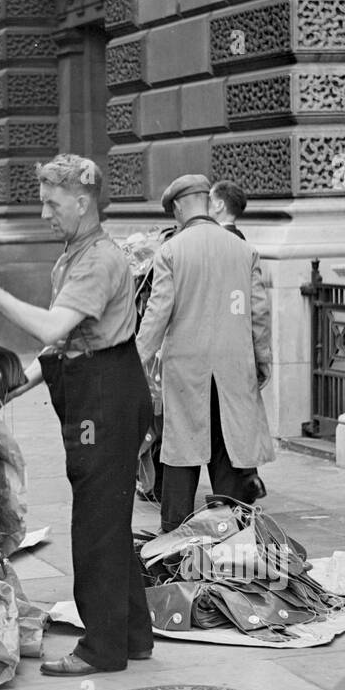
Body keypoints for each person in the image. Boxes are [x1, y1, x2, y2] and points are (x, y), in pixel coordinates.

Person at [0, 154, 154, 677]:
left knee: (96, 523)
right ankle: (133, 636)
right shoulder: (75, 256)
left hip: (107, 396)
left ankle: (101, 650)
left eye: (52, 204)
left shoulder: (97, 260)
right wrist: (13, 387)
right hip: (101, 391)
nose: (44, 215)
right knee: (110, 518)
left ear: (82, 202)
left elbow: (54, 329)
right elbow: (64, 347)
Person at [136, 174, 274, 532]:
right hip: (234, 368)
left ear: (180, 207)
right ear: (206, 202)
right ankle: (237, 539)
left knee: (181, 456)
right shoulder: (243, 250)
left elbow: (156, 314)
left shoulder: (171, 251)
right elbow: (259, 313)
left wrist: (135, 362)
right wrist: (262, 362)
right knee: (229, 454)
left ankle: (175, 542)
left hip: (186, 372)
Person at [209, 179, 265, 500]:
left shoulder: (220, 246)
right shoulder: (244, 244)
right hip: (239, 351)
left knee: (226, 428)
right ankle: (246, 480)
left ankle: (240, 489)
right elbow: (256, 312)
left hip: (220, 354)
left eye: (208, 201)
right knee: (237, 423)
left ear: (219, 205)